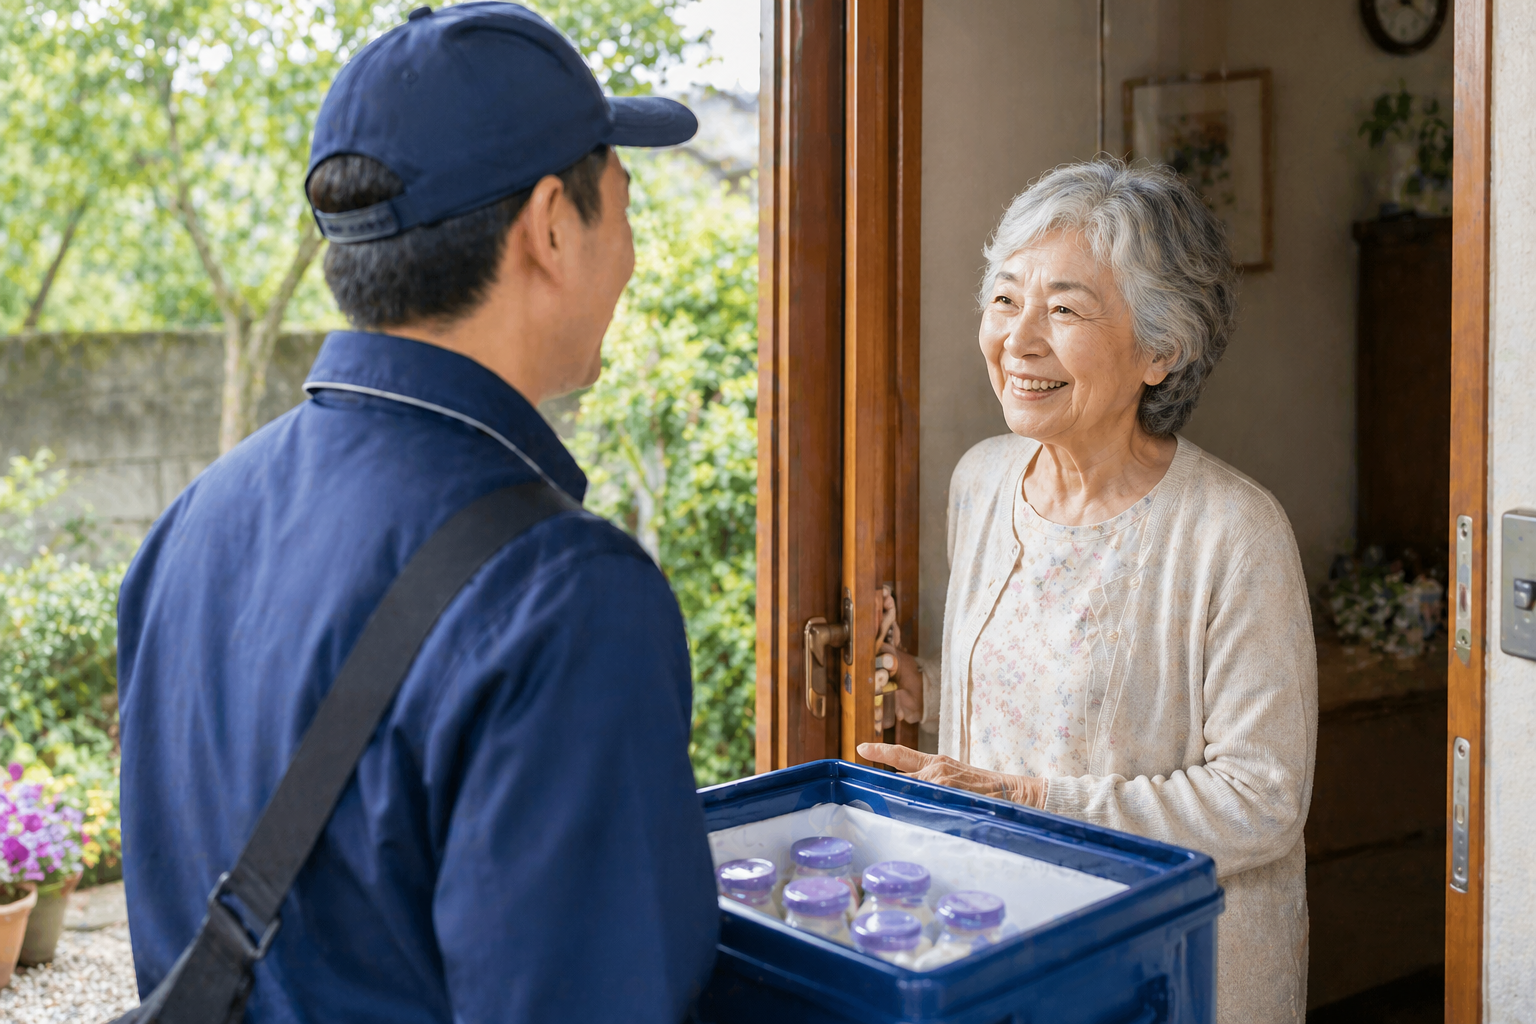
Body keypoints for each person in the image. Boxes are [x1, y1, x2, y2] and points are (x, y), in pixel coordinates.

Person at [116, 5, 719, 1021]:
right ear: (551, 226)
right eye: (624, 208)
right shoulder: (564, 601)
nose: (632, 255)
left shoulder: (190, 525)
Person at [860, 160, 1317, 1024]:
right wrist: (930, 686)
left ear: (1161, 349)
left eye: (1064, 310)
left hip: (1173, 973)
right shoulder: (984, 481)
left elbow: (1262, 799)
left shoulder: (1234, 531)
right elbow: (1048, 690)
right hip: (1007, 943)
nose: (1018, 339)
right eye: (1005, 299)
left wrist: (1034, 803)